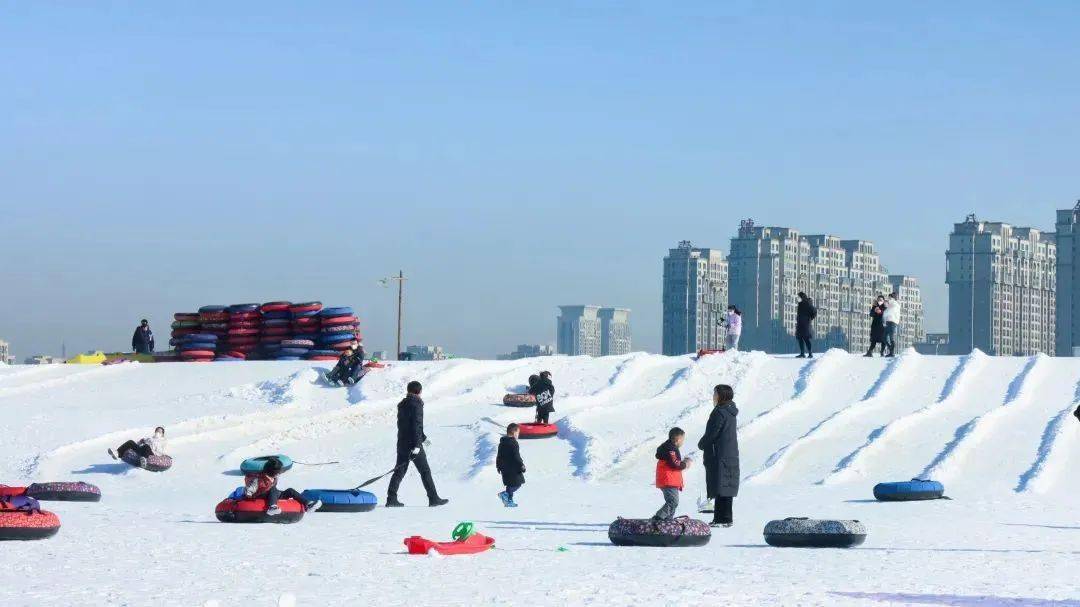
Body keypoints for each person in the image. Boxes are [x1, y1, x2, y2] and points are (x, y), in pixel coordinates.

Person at [386, 381, 449, 507]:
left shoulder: (402, 404)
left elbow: (407, 425)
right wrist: (416, 445)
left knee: (399, 471)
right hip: (413, 445)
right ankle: (433, 498)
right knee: (425, 471)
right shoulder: (417, 404)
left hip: (402, 443)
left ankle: (391, 498)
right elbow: (416, 425)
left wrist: (424, 438)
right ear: (419, 391)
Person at [698, 384, 739, 528]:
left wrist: (702, 444)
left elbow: (712, 433)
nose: (713, 396)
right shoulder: (730, 411)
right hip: (730, 454)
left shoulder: (719, 412)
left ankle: (722, 520)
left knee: (720, 486)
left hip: (719, 454)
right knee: (726, 486)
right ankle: (725, 518)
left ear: (722, 396)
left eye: (715, 393)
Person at [243, 457, 320, 515]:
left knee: (290, 491)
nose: (279, 473)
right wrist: (248, 498)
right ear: (272, 471)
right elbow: (249, 490)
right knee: (273, 489)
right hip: (259, 496)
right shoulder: (258, 479)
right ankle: (272, 507)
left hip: (271, 495)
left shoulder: (273, 477)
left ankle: (308, 504)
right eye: (278, 471)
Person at [653, 427, 692, 521]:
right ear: (678, 440)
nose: (683, 442)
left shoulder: (670, 448)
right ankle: (658, 518)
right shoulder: (671, 449)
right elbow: (675, 464)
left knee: (673, 502)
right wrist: (685, 464)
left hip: (670, 480)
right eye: (683, 440)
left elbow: (673, 461)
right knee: (673, 502)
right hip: (668, 480)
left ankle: (668, 521)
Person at [496, 423, 526, 508]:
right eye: (518, 432)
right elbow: (516, 456)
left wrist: (498, 466)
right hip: (513, 468)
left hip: (504, 468)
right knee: (517, 484)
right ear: (514, 432)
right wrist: (521, 465)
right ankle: (504, 494)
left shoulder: (502, 442)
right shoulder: (514, 443)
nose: (518, 434)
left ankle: (509, 501)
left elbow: (499, 455)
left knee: (510, 485)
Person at [795, 292, 817, 358]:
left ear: (802, 297)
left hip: (805, 325)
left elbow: (814, 311)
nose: (797, 298)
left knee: (806, 339)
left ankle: (810, 353)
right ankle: (802, 353)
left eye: (799, 297)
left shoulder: (807, 303)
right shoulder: (800, 304)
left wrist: (809, 318)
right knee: (800, 338)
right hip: (800, 324)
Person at [883, 292, 902, 357]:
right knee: (884, 338)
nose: (890, 298)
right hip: (888, 322)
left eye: (891, 297)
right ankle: (891, 350)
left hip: (892, 322)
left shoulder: (895, 303)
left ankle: (892, 352)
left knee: (891, 338)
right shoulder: (893, 304)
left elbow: (886, 304)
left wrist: (886, 300)